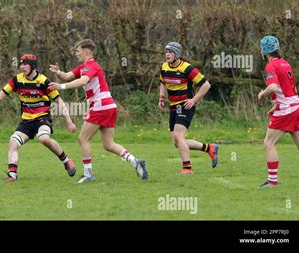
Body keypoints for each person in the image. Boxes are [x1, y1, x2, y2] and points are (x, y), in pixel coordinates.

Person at [48, 39, 148, 183]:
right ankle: (135, 162)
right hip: (108, 106)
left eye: (78, 51)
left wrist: (61, 87)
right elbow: (68, 76)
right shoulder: (84, 67)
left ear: (87, 51)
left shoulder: (91, 65)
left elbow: (82, 81)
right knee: (109, 144)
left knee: (83, 138)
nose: (76, 54)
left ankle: (88, 175)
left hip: (100, 107)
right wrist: (58, 72)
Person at [0, 54, 77, 181]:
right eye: (21, 64)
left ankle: (66, 160)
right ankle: (12, 174)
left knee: (44, 139)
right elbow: (0, 95)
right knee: (13, 142)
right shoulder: (17, 80)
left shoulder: (43, 81)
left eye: (25, 64)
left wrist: (69, 121)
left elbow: (59, 101)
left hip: (42, 118)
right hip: (26, 121)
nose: (22, 67)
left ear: (32, 66)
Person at [158, 42, 219, 174]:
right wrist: (161, 98)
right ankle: (209, 148)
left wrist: (193, 100)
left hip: (184, 105)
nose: (167, 54)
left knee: (179, 137)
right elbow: (163, 83)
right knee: (176, 142)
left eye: (170, 52)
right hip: (173, 107)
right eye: (166, 52)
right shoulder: (164, 67)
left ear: (177, 54)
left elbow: (206, 85)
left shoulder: (187, 68)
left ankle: (187, 168)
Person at [257, 35, 299, 188]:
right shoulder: (285, 63)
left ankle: (272, 182)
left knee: (269, 143)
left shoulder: (271, 66)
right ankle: (272, 181)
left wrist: (262, 94)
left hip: (286, 109)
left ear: (263, 51)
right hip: (295, 106)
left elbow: (272, 87)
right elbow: (288, 89)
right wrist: (275, 106)